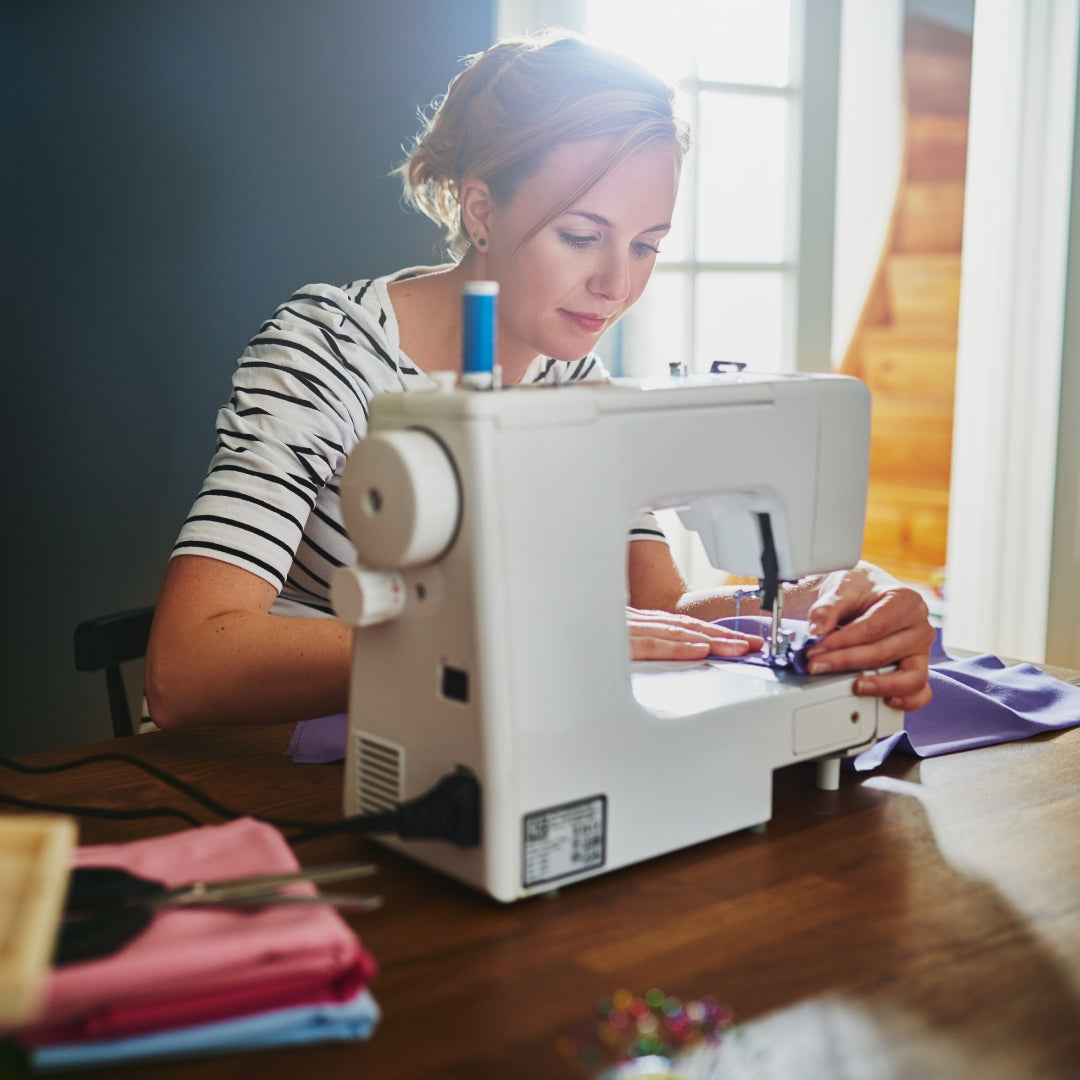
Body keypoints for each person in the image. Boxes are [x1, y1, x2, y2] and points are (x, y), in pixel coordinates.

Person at [145, 30, 934, 730]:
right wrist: (498, 642)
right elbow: (189, 667)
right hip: (288, 778)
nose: (616, 286)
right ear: (480, 209)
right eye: (583, 235)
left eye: (646, 245)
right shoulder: (330, 352)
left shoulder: (573, 378)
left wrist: (833, 598)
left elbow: (658, 609)